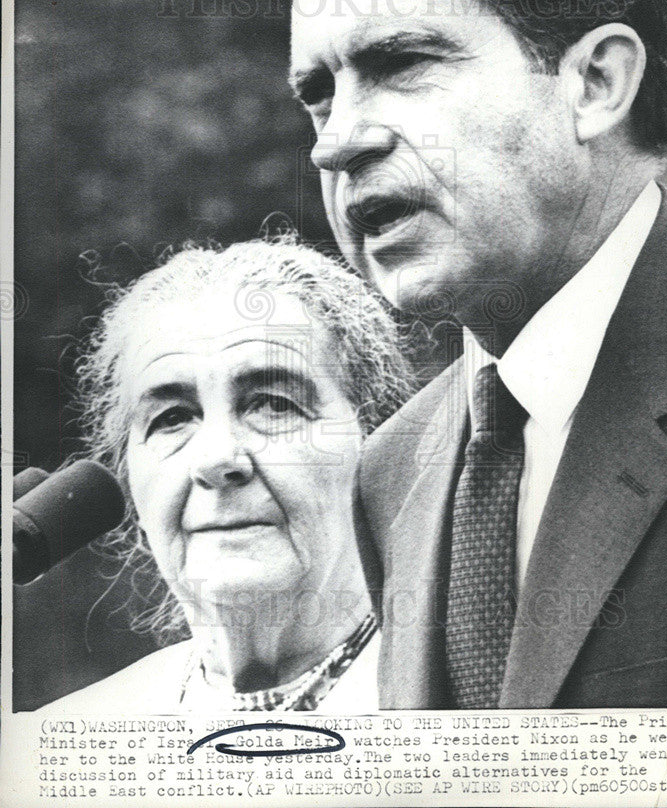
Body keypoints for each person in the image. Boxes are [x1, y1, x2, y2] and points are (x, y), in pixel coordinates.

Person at [289, 0, 667, 708]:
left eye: (400, 62)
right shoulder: (393, 471)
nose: (334, 140)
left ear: (596, 83)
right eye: (317, 92)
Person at [42, 236, 414, 713]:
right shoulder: (68, 738)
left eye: (274, 405)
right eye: (171, 418)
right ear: (131, 487)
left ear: (381, 447)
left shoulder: (471, 704)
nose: (216, 460)